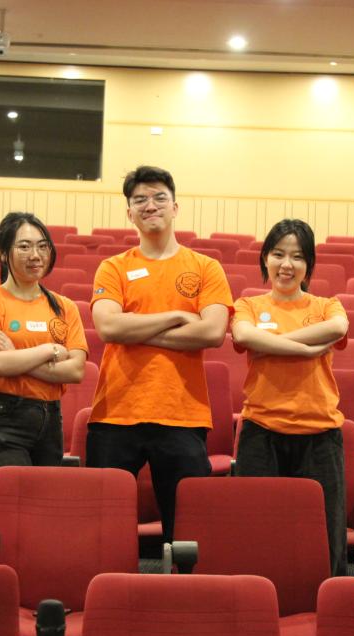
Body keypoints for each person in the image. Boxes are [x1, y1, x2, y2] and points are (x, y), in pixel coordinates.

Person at [87, 165, 233, 542]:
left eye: (158, 198)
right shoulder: (113, 268)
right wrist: (175, 317)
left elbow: (213, 332)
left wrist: (135, 330)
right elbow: (108, 328)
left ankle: (186, 597)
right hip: (116, 413)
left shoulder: (205, 268)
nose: (150, 206)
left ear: (175, 207)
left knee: (187, 528)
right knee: (103, 527)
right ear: (129, 212)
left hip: (181, 415)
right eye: (140, 200)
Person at [231, 218, 350, 576]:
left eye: (297, 257)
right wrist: (304, 349)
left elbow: (337, 328)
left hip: (319, 433)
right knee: (255, 531)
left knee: (326, 536)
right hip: (261, 430)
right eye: (278, 254)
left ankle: (325, 609)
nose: (287, 264)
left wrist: (274, 346)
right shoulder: (248, 305)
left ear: (308, 265)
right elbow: (245, 336)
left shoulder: (328, 305)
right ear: (265, 258)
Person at [0, 212, 88, 480]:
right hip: (2, 420)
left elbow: (76, 371)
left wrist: (15, 357)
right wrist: (50, 350)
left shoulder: (65, 307)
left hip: (50, 421)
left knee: (42, 511)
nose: (36, 255)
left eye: (42, 246)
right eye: (24, 246)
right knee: (13, 504)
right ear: (3, 254)